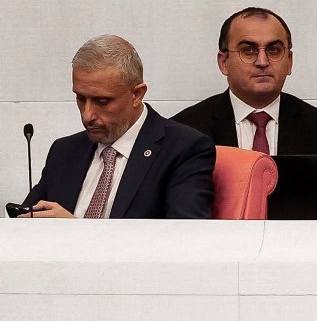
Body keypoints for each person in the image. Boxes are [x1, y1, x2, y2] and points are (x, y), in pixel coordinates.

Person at [20, 35, 215, 219]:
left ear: (137, 95)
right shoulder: (64, 151)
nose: (87, 115)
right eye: (80, 98)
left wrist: (77, 232)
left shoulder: (184, 149)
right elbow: (23, 223)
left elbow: (183, 238)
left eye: (102, 101)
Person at [172, 7, 317, 155]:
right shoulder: (184, 130)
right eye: (248, 50)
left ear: (289, 62)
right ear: (223, 62)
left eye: (274, 50)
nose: (262, 61)